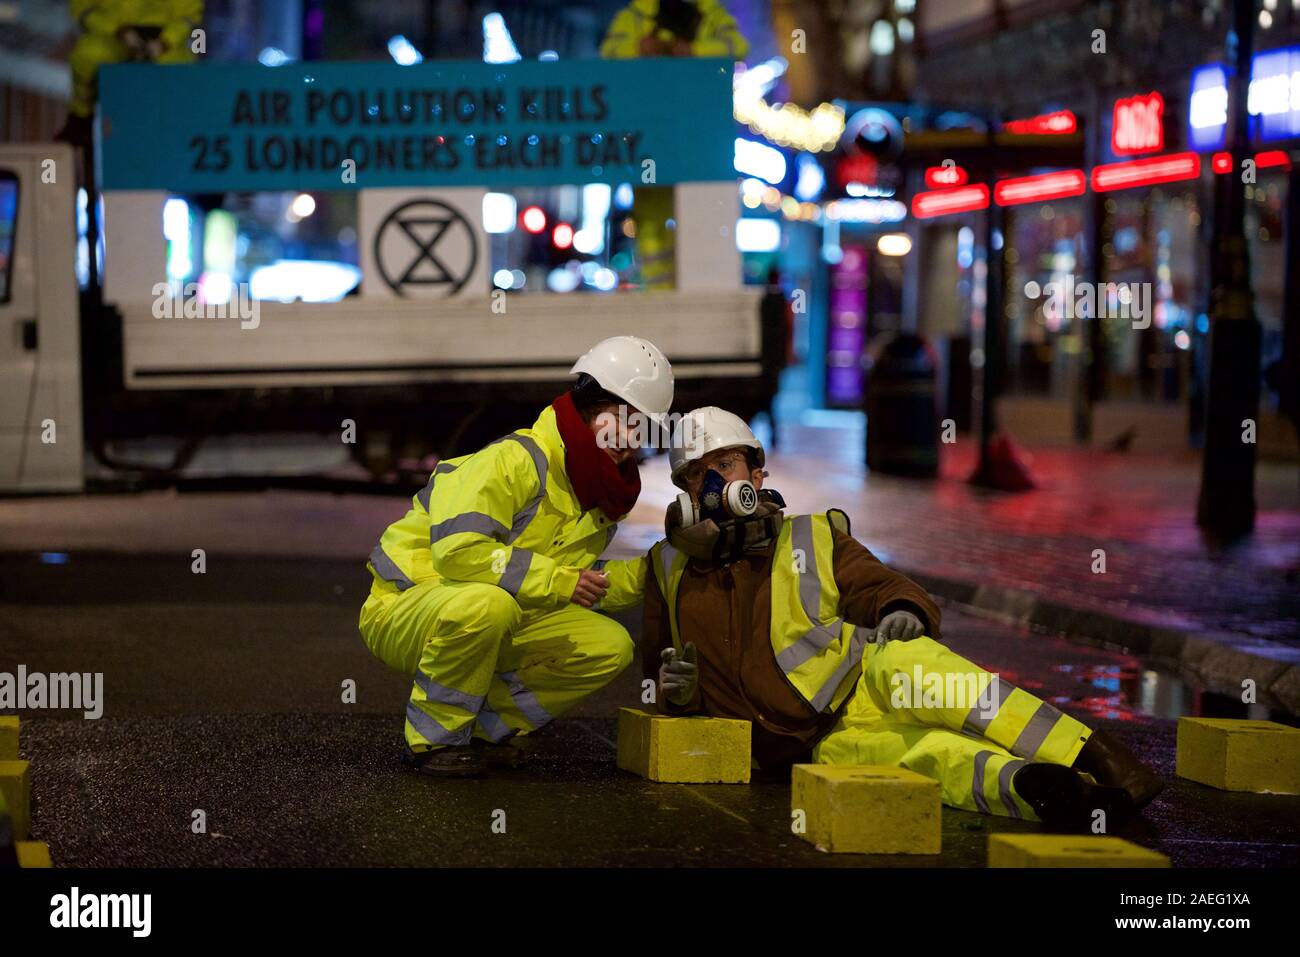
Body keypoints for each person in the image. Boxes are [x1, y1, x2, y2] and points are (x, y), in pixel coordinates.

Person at [642, 407, 1164, 829]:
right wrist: (678, 692)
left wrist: (901, 612)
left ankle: (1095, 756)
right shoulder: (668, 567)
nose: (710, 483)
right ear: (682, 492)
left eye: (724, 465)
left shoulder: (812, 535)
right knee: (936, 761)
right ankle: (1056, 796)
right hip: (812, 744)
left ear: (756, 475)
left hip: (865, 677)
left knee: (935, 674)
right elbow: (659, 682)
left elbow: (884, 586)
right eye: (695, 474)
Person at [360, 337, 672, 777]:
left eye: (641, 428)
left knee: (609, 645)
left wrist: (664, 566)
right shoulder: (515, 460)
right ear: (586, 408)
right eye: (619, 420)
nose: (628, 439)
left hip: (500, 611)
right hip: (406, 605)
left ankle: (486, 733)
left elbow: (583, 582)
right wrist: (558, 581)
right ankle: (433, 741)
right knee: (489, 605)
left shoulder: (596, 491)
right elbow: (460, 553)